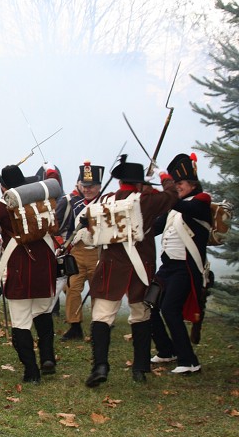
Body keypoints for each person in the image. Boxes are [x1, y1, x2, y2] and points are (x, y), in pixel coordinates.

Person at [85, 160, 177, 387]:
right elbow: (172, 195)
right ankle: (140, 368)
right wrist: (164, 176)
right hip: (140, 269)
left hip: (110, 267)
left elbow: (90, 225)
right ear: (139, 183)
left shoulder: (105, 200)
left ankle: (100, 366)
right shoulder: (146, 200)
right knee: (141, 316)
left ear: (120, 181)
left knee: (102, 317)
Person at [0, 164, 55, 383]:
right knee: (43, 311)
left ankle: (32, 371)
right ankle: (48, 358)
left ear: (3, 187)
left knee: (21, 321)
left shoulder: (2, 205)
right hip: (45, 263)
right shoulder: (40, 199)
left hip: (19, 265)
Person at [149, 153, 211, 374]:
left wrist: (165, 181)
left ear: (192, 184)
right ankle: (167, 350)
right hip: (168, 267)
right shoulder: (177, 206)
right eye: (175, 184)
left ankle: (189, 361)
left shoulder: (201, 201)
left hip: (186, 268)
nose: (178, 187)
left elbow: (182, 206)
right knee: (149, 304)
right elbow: (155, 227)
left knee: (170, 309)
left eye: (180, 184)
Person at [56, 161, 105, 340]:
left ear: (99, 186)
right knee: (72, 288)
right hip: (77, 250)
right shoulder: (76, 204)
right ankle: (74, 325)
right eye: (84, 186)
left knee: (97, 290)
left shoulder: (105, 204)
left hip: (97, 251)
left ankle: (99, 325)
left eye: (91, 187)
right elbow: (69, 227)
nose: (87, 190)